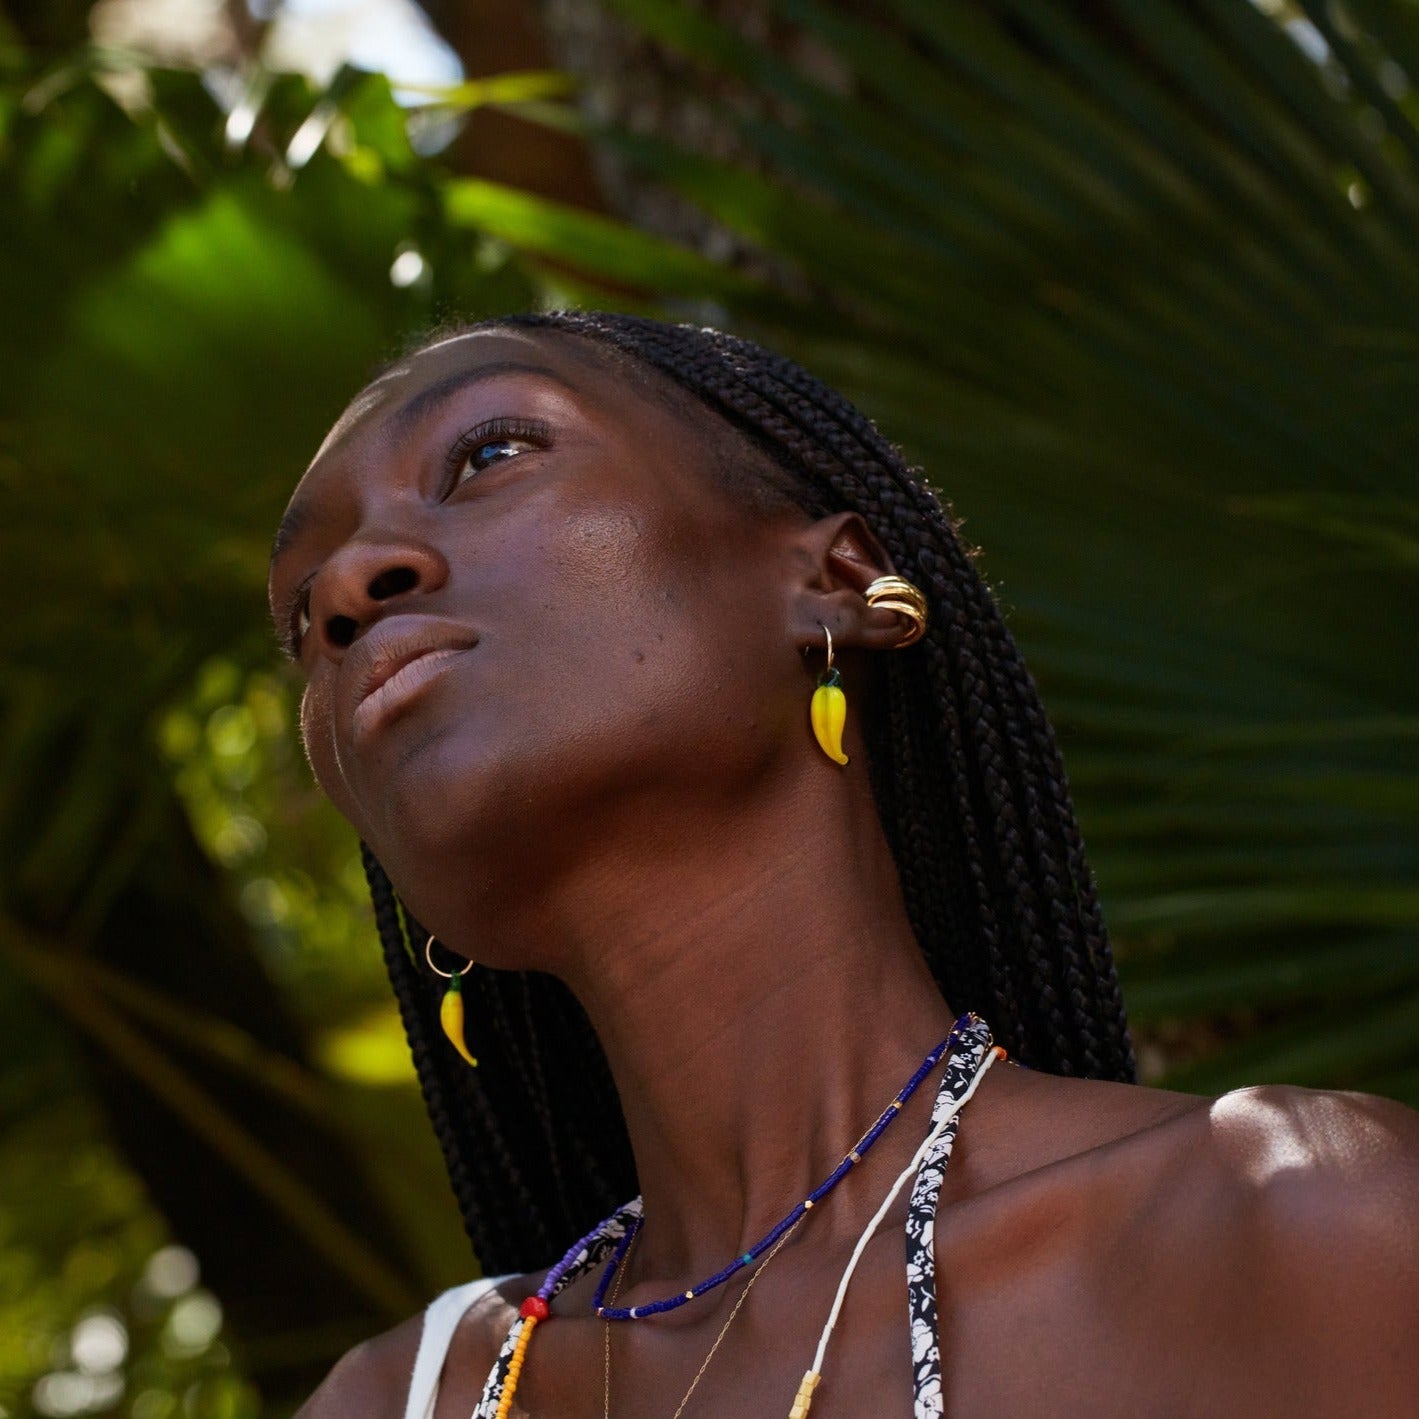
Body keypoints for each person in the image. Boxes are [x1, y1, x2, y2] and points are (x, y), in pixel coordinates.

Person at [268, 311, 1418, 1419]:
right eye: (295, 615)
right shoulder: (402, 1401)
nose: (345, 587)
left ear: (834, 581)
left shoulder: (1296, 1230)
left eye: (488, 454)